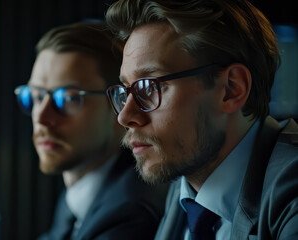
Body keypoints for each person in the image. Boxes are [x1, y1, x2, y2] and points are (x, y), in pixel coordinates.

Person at [104, 0, 298, 239]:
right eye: (126, 90)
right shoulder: (185, 186)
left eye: (149, 87)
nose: (125, 116)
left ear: (231, 89)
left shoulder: (291, 192)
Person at [14, 22, 169, 240]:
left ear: (119, 105)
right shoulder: (81, 191)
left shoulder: (130, 213)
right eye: (36, 96)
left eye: (68, 98)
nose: (41, 117)